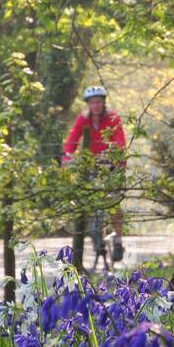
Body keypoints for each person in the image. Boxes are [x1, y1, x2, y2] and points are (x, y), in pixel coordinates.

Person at [62, 85, 125, 265]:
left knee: (113, 201)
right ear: (88, 104)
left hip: (112, 164)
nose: (95, 105)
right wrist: (67, 156)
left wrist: (114, 154)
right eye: (92, 102)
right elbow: (73, 139)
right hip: (91, 165)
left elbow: (120, 140)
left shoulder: (112, 118)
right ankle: (95, 234)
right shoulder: (84, 119)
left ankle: (118, 240)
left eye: (98, 102)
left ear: (103, 102)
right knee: (87, 199)